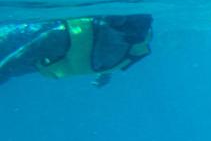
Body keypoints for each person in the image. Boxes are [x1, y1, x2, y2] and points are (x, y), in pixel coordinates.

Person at [0, 14, 153, 87]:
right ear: (105, 20)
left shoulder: (137, 39)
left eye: (145, 21)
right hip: (12, 41)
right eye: (121, 20)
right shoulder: (61, 37)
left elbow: (114, 44)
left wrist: (106, 71)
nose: (137, 29)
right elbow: (7, 68)